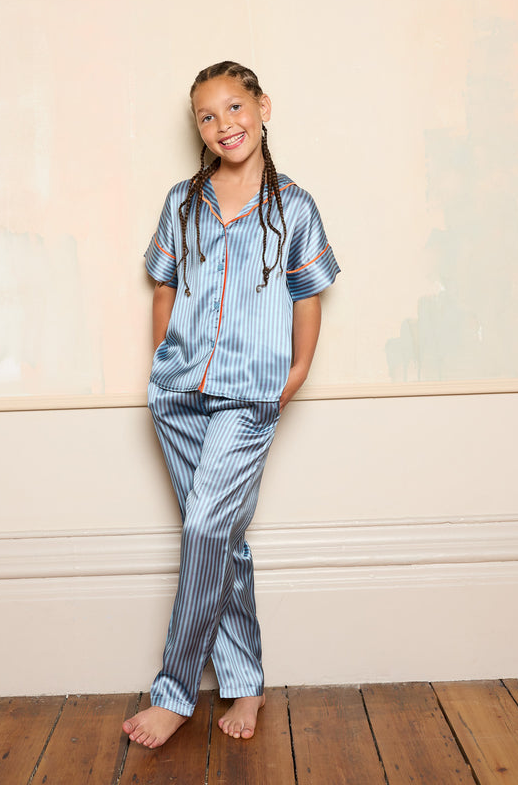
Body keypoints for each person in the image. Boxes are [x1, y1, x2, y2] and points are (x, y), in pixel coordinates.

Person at [122, 61, 340, 749]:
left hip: (249, 397)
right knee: (223, 540)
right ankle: (244, 681)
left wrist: (298, 370)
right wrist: (165, 358)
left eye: (235, 108)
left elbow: (309, 292)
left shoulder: (294, 207)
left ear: (263, 106)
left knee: (203, 533)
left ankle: (175, 691)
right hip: (178, 397)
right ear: (199, 129)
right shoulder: (182, 203)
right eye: (208, 117)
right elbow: (163, 282)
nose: (225, 126)